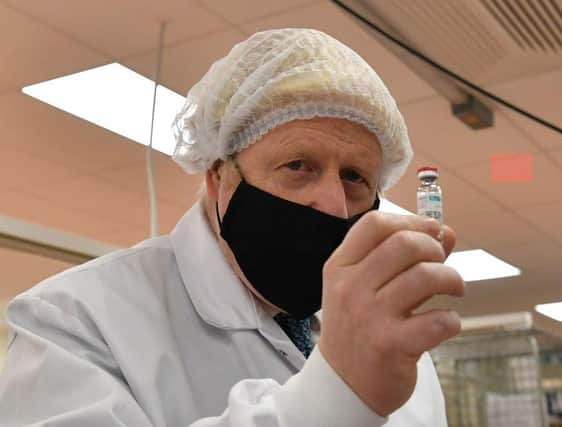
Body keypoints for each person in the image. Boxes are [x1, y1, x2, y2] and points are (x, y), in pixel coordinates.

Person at [0, 28, 465, 426]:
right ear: (218, 176)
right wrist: (335, 396)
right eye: (298, 164)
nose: (332, 204)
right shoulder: (75, 322)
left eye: (355, 177)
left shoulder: (401, 353)